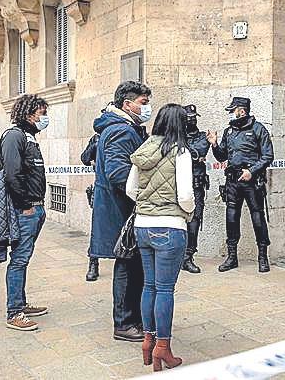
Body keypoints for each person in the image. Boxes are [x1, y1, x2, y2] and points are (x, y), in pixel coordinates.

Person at [126, 104, 194, 371]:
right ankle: (163, 349)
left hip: (142, 226)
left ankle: (147, 342)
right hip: (170, 226)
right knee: (165, 289)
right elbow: (186, 196)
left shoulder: (143, 149)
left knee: (149, 286)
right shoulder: (181, 151)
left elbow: (131, 189)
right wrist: (187, 212)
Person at [89, 81, 152, 342]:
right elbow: (118, 172)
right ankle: (124, 323)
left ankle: (132, 318)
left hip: (122, 207)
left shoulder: (124, 128)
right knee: (127, 265)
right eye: (143, 103)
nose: (147, 108)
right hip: (121, 209)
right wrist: (146, 193)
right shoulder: (121, 131)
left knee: (133, 265)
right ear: (127, 104)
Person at [207, 97, 274, 273]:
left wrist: (252, 171)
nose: (231, 113)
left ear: (242, 110)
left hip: (252, 182)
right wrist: (214, 144)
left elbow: (268, 156)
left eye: (233, 109)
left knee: (257, 218)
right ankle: (232, 257)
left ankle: (262, 256)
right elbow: (222, 156)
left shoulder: (259, 129)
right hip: (233, 181)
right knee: (231, 218)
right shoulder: (229, 131)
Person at [1, 94, 49, 331]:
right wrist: (25, 206)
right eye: (42, 114)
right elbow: (12, 175)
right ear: (29, 114)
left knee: (23, 259)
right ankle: (14, 313)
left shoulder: (29, 137)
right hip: (26, 209)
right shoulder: (14, 136)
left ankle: (21, 303)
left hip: (35, 207)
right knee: (19, 260)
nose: (45, 118)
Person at [182, 104, 210, 273]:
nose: (192, 119)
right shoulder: (177, 136)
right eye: (189, 117)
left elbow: (197, 152)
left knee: (194, 221)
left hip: (197, 185)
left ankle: (188, 256)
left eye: (194, 116)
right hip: (179, 184)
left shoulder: (202, 137)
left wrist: (186, 151)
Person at [80, 133, 100, 281]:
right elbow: (85, 159)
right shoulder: (96, 137)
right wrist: (95, 146)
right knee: (97, 229)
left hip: (123, 187)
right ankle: (93, 263)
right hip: (101, 188)